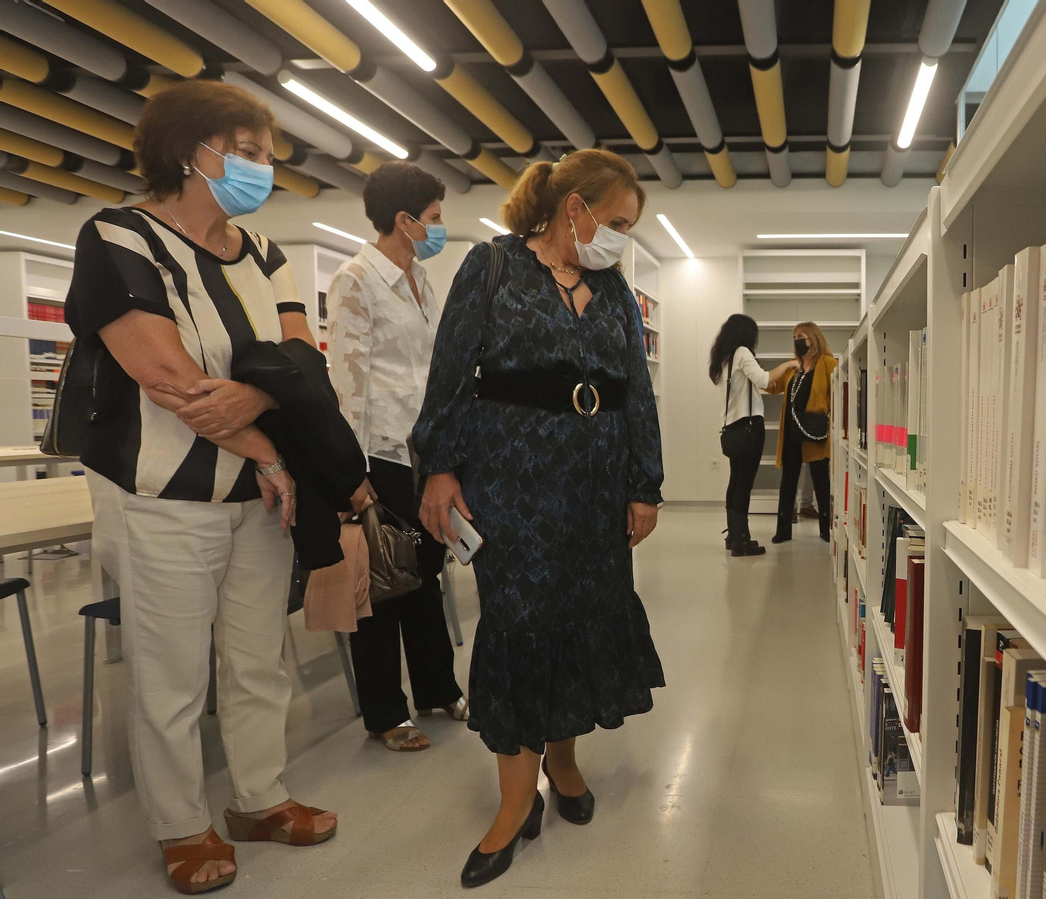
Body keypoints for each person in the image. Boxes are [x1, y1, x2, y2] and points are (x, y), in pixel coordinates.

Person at [62, 80, 337, 895]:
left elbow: (303, 361)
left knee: (259, 660)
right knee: (171, 674)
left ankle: (259, 797)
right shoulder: (118, 236)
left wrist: (259, 403)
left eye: (266, 157)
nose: (262, 169)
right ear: (191, 152)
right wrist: (272, 446)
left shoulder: (266, 254)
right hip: (163, 498)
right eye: (247, 153)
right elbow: (167, 377)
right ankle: (182, 823)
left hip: (257, 498)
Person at [410, 148, 665, 888]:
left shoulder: (615, 293)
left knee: (582, 618)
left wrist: (644, 484)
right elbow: (451, 377)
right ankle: (515, 803)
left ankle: (565, 761)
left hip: (596, 487)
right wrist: (441, 467)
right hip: (512, 485)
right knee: (519, 627)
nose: (621, 237)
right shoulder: (491, 269)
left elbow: (637, 392)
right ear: (572, 206)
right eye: (615, 221)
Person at [325, 161, 467, 753]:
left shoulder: (420, 282)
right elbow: (348, 379)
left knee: (424, 576)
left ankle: (437, 688)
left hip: (423, 451)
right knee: (383, 586)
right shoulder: (356, 280)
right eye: (433, 218)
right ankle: (386, 712)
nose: (440, 227)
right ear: (404, 220)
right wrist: (349, 474)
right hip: (379, 452)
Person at [709, 313, 798, 557]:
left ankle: (733, 536)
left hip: (731, 429)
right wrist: (790, 365)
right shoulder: (742, 353)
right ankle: (741, 540)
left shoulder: (723, 358)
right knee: (744, 484)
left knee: (736, 480)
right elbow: (763, 379)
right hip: (749, 428)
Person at [767, 322, 837, 544]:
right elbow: (770, 385)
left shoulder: (827, 363)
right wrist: (788, 365)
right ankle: (783, 529)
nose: (797, 340)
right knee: (788, 480)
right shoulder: (794, 367)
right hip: (791, 432)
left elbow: (839, 391)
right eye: (795, 336)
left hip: (814, 431)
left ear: (813, 339)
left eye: (802, 336)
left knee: (821, 481)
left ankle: (826, 530)